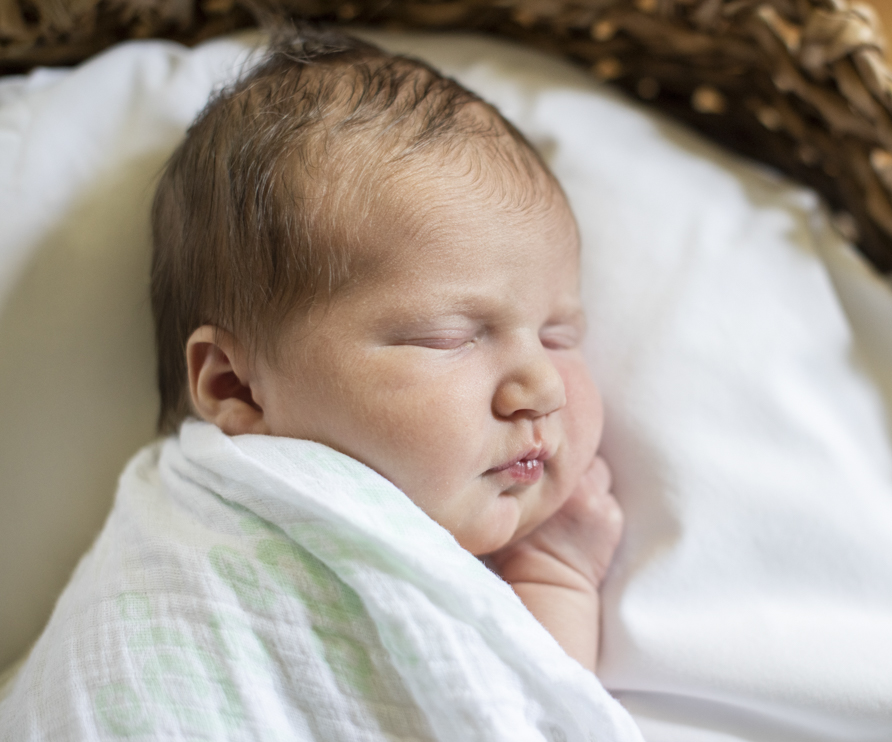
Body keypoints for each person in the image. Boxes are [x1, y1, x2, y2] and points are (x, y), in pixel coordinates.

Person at [151, 28, 623, 671]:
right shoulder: (193, 545)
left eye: (556, 336)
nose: (543, 388)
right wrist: (557, 579)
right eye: (448, 338)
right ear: (237, 386)